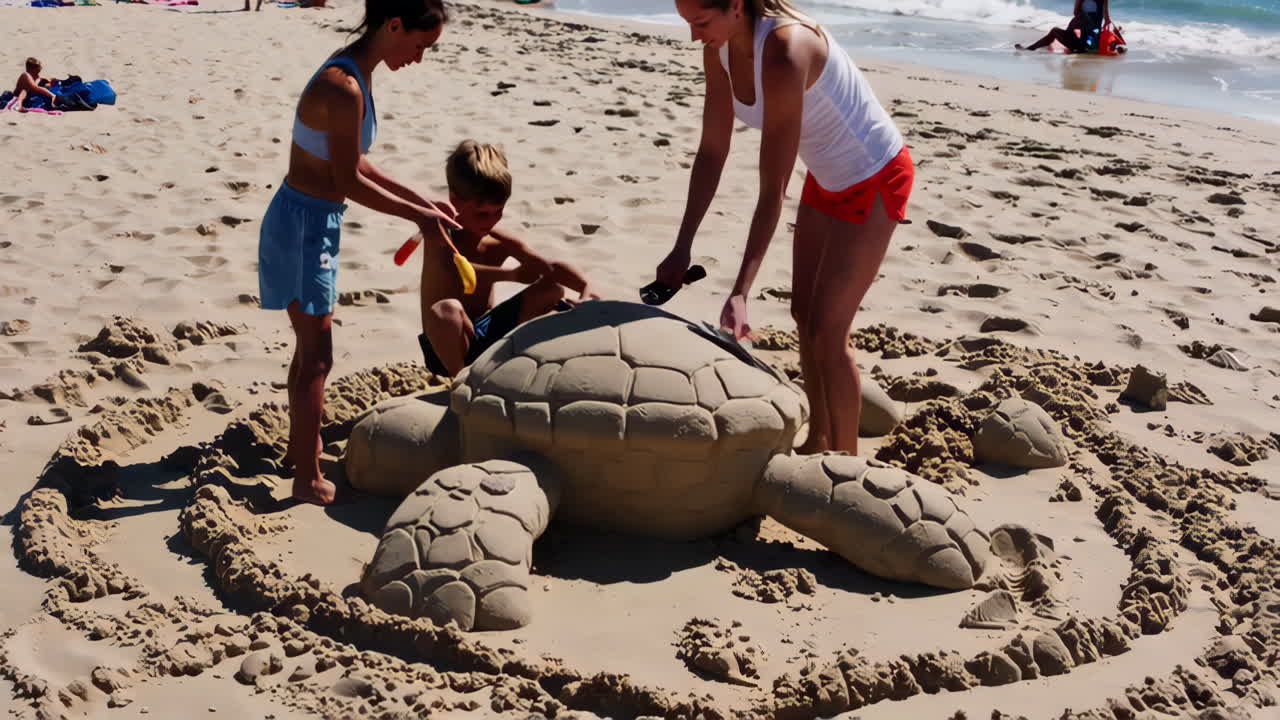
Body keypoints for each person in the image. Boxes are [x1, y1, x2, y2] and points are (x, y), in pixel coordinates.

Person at [655, 0, 913, 455]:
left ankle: (850, 465)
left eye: (700, 22)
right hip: (827, 175)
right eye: (687, 24)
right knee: (803, 316)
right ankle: (819, 440)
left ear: (736, 6)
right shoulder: (717, 49)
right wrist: (681, 246)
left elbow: (772, 188)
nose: (695, 35)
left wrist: (741, 290)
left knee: (828, 333)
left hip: (875, 172)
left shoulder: (783, 50)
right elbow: (713, 151)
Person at [258, 0, 459, 505]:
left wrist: (421, 200)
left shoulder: (355, 74)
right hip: (304, 224)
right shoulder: (343, 86)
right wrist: (417, 218)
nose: (419, 57)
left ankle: (298, 451)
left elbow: (357, 163)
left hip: (311, 221)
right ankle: (306, 478)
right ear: (394, 25)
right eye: (419, 44)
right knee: (318, 356)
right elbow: (346, 179)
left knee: (309, 347)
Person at [418, 140, 598, 378]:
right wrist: (511, 275)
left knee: (550, 289)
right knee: (446, 311)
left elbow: (548, 266)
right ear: (455, 200)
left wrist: (586, 289)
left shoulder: (499, 242)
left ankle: (514, 362)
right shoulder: (440, 234)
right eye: (482, 213)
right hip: (445, 346)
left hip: (488, 337)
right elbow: (455, 270)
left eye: (498, 212)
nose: (491, 221)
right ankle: (459, 382)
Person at [1016, 0, 1111, 53]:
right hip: (1093, 46)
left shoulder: (1082, 16)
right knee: (1084, 33)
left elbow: (1074, 15)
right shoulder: (1101, 4)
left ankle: (1031, 49)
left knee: (1055, 31)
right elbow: (1107, 20)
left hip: (1082, 48)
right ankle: (1042, 45)